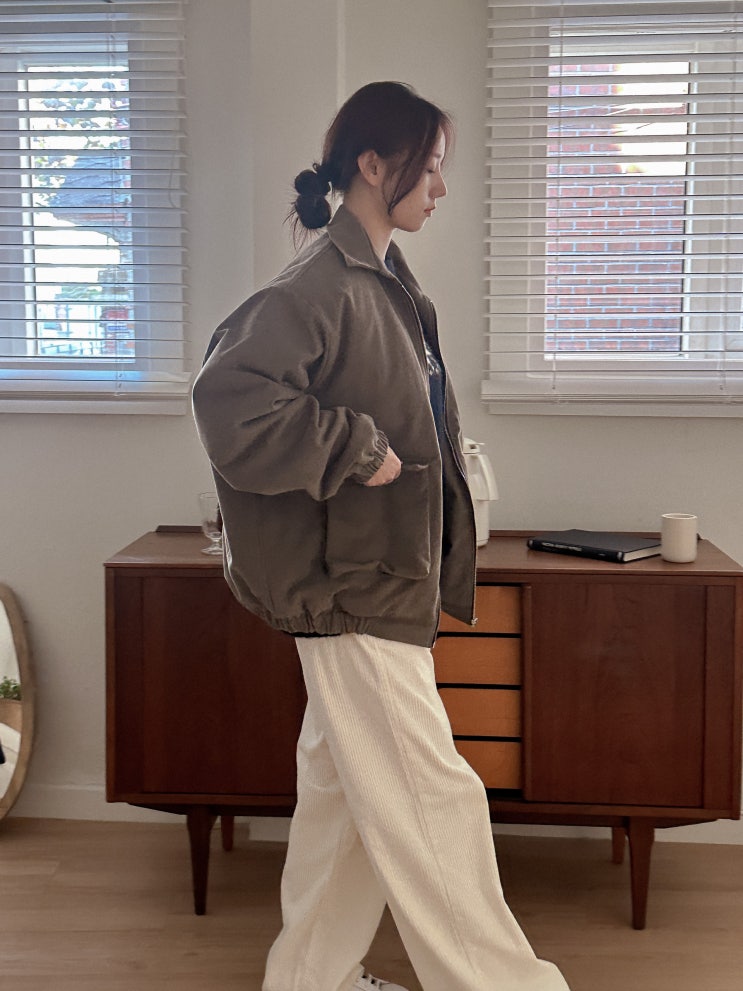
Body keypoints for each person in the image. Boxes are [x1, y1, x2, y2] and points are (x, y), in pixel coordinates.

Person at [192, 81, 570, 991]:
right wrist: (354, 449)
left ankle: (308, 979)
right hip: (350, 586)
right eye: (429, 167)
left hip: (379, 575)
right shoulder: (317, 287)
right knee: (432, 800)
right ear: (373, 164)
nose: (439, 188)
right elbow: (228, 400)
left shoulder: (386, 284)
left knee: (344, 802)